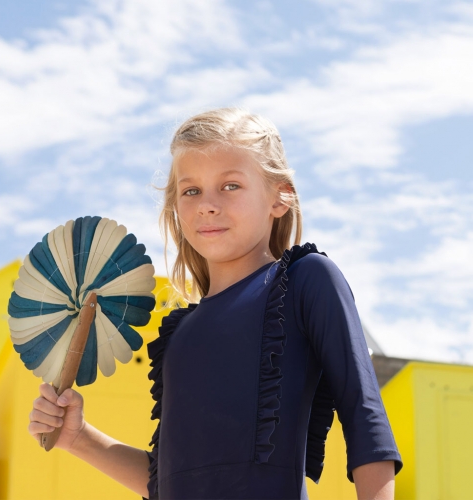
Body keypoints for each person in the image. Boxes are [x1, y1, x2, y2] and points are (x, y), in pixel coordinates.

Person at [29, 108, 402, 500]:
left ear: (280, 197)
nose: (207, 204)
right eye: (191, 191)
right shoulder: (178, 334)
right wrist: (78, 437)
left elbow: (366, 422)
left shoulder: (307, 280)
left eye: (230, 186)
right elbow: (170, 481)